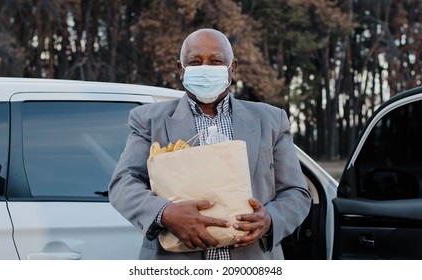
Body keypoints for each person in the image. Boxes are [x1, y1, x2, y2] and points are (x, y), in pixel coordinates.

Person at [108, 28, 311, 260]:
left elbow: (296, 192)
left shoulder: (271, 120)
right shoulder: (149, 120)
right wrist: (166, 213)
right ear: (181, 70)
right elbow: (123, 184)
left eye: (215, 61)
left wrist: (270, 219)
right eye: (195, 62)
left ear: (231, 69)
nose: (205, 69)